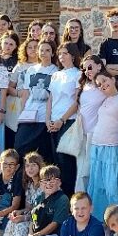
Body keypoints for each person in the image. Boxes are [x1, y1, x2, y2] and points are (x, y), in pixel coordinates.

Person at [86, 71, 118, 222]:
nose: (102, 85)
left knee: (113, 188)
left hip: (113, 147)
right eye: (99, 85)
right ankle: (100, 222)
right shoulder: (104, 101)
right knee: (97, 188)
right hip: (97, 147)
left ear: (112, 78)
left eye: (104, 81)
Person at [14, 39, 58, 161]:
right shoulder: (31, 70)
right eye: (41, 50)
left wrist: (49, 119)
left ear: (53, 53)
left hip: (44, 118)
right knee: (20, 148)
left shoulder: (56, 71)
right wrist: (20, 115)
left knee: (43, 154)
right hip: (29, 115)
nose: (44, 53)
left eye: (47, 50)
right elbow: (26, 94)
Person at [48, 43, 83, 195]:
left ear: (73, 56)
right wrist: (47, 120)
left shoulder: (77, 74)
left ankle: (70, 197)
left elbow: (77, 101)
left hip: (68, 122)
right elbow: (50, 99)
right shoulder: (56, 74)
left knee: (66, 163)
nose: (62, 56)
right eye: (60, 53)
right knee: (56, 162)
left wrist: (61, 120)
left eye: (65, 53)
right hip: (53, 122)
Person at [74, 54, 107, 191]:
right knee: (81, 172)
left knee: (92, 171)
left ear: (99, 66)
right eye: (84, 69)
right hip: (82, 134)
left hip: (96, 135)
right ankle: (79, 202)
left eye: (90, 67)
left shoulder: (105, 86)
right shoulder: (84, 86)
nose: (87, 71)